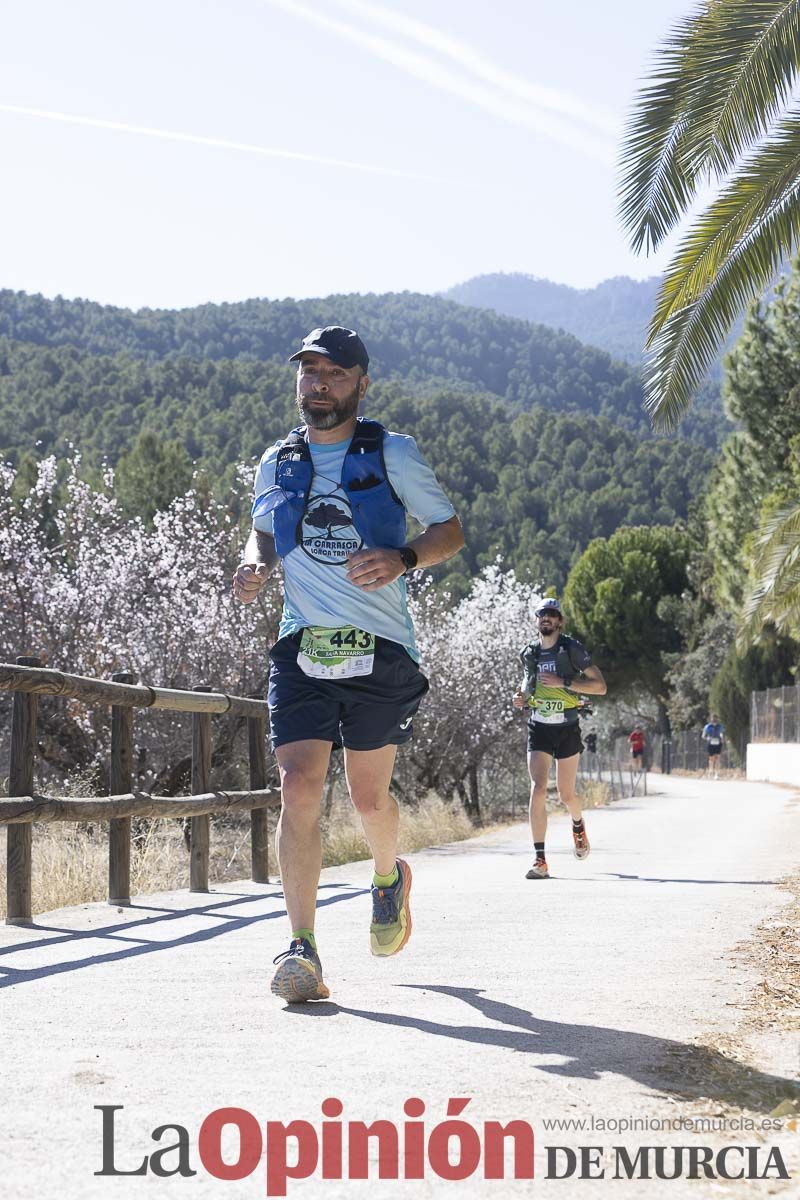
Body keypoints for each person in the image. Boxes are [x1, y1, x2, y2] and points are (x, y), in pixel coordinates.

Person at [233, 326, 464, 1002]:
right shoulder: (277, 459)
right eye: (309, 372)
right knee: (298, 785)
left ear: (362, 381)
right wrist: (254, 562)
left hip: (380, 648)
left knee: (368, 797)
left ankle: (388, 876)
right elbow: (264, 528)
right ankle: (301, 947)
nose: (319, 384)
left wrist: (404, 558)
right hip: (303, 645)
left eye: (334, 373)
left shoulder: (393, 452)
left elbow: (447, 531)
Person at [512, 598, 607, 879]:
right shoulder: (529, 653)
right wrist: (520, 698)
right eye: (542, 614)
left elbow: (599, 686)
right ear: (536, 619)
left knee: (567, 794)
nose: (547, 619)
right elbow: (527, 683)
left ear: (560, 621)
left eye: (552, 615)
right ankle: (540, 860)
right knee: (538, 788)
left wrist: (564, 682)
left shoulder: (570, 649)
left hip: (566, 726)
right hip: (539, 726)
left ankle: (578, 825)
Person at [702, 713, 725, 779]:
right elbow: (703, 736)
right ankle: (711, 771)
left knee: (717, 758)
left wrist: (722, 738)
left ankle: (716, 774)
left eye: (715, 718)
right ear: (711, 719)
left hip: (718, 743)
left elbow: (721, 733)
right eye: (713, 718)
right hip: (710, 743)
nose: (714, 719)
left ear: (717, 719)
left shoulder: (720, 726)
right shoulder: (707, 726)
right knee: (711, 758)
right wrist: (707, 738)